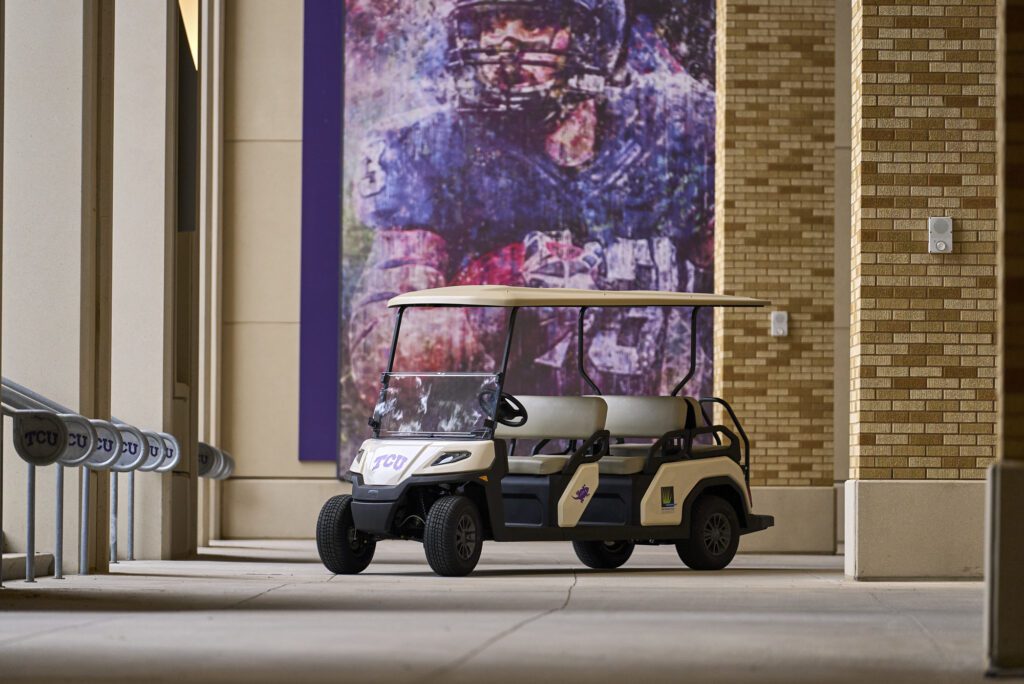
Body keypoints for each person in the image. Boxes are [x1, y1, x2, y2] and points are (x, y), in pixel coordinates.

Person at [346, 0, 714, 416]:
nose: (507, 45)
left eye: (535, 22)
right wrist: (508, 297)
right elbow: (384, 359)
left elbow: (738, 281)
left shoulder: (676, 128)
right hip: (517, 438)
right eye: (490, 24)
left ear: (591, 34)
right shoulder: (430, 149)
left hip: (653, 434)